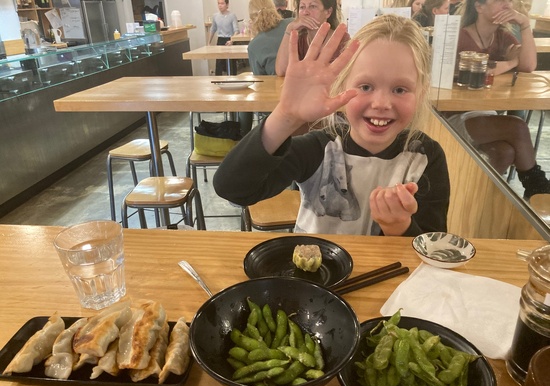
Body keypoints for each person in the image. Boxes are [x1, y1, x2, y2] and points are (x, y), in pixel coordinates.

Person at [214, 15, 450, 236]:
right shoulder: (319, 149)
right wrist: (285, 116)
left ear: (421, 93)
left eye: (400, 89)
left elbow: (432, 246)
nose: (381, 103)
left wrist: (399, 227)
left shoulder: (425, 158)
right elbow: (232, 188)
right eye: (366, 87)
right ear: (342, 85)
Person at [444, 0, 549, 200]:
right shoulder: (459, 37)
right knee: (517, 126)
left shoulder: (501, 36)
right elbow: (480, 70)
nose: (508, 4)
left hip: (485, 114)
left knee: (504, 152)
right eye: (500, 1)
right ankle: (538, 189)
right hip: (451, 117)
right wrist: (511, 62)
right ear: (479, 7)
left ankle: (472, 199)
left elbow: (528, 65)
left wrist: (525, 25)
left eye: (509, 0)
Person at [238, 0, 293, 134]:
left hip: (276, 106)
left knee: (244, 94)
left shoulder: (254, 46)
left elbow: (260, 82)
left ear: (251, 19)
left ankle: (242, 137)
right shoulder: (291, 24)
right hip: (305, 94)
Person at [275, 0, 349, 76]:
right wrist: (289, 29)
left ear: (328, 12)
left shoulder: (342, 40)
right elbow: (282, 71)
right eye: (302, 7)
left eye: (313, 6)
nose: (305, 12)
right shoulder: (299, 39)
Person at [208, 0, 240, 75]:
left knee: (231, 63)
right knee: (219, 62)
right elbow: (213, 29)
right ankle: (218, 79)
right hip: (220, 39)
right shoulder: (215, 16)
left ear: (227, 4)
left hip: (230, 39)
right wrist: (209, 42)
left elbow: (236, 30)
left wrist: (232, 40)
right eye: (218, 3)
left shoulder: (232, 16)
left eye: (222, 3)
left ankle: (233, 78)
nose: (220, 5)